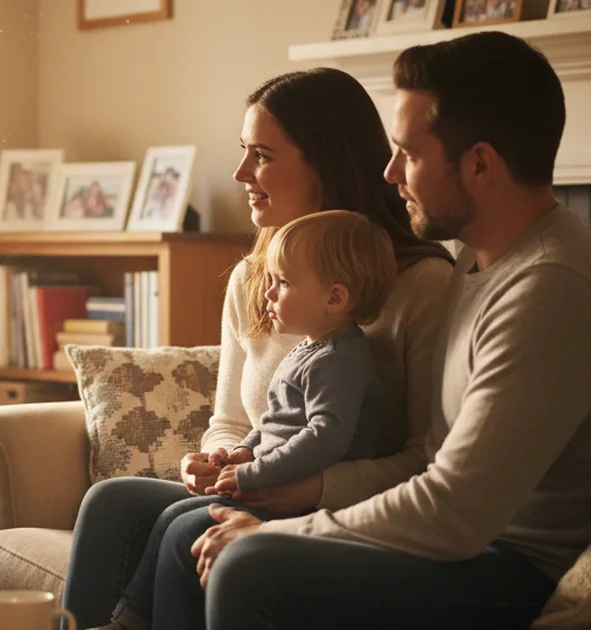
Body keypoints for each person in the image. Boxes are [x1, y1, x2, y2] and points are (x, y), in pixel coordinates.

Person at [187, 31, 591, 630]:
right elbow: (433, 458)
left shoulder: (549, 285)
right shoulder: (474, 264)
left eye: (410, 153)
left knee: (251, 563)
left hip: (506, 569)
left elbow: (454, 511)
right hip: (461, 551)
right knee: (183, 529)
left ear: (480, 164)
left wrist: (289, 528)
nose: (389, 170)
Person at [62, 67, 454, 630]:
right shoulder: (253, 277)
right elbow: (229, 419)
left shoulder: (420, 285)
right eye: (244, 151)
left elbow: (429, 460)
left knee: (186, 530)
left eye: (263, 155)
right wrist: (215, 459)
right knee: (112, 503)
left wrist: (312, 486)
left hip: (343, 505)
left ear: (328, 164)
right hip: (263, 480)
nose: (241, 172)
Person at [211, 210, 398, 499]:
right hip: (266, 478)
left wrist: (254, 473)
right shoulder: (311, 348)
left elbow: (325, 437)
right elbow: (274, 420)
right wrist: (244, 450)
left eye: (283, 282)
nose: (268, 294)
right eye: (270, 280)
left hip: (296, 499)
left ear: (334, 298)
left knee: (182, 524)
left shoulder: (338, 361)